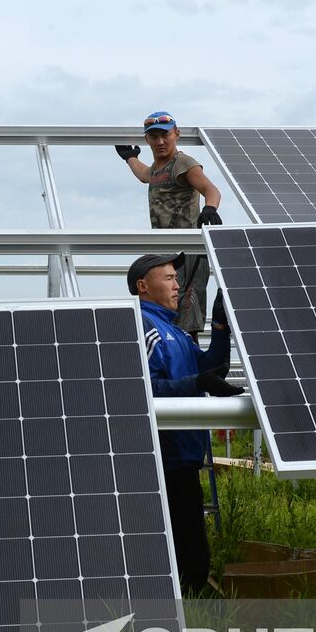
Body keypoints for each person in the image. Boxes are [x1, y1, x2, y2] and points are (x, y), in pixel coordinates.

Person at [128, 252, 243, 596]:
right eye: (168, 278)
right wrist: (198, 384)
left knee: (191, 532)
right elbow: (143, 390)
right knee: (182, 535)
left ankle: (192, 594)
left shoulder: (175, 331)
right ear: (143, 286)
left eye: (177, 278)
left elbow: (211, 368)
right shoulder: (144, 327)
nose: (177, 285)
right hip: (165, 456)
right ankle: (187, 601)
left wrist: (220, 323)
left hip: (185, 452)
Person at [116, 111, 225, 335]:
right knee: (169, 315)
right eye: (154, 137)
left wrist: (210, 208)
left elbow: (210, 189)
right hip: (167, 254)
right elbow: (145, 174)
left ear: (177, 134)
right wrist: (130, 158)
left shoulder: (182, 163)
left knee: (187, 318)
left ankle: (193, 367)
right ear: (147, 140)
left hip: (189, 253)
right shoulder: (157, 168)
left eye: (165, 135)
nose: (160, 142)